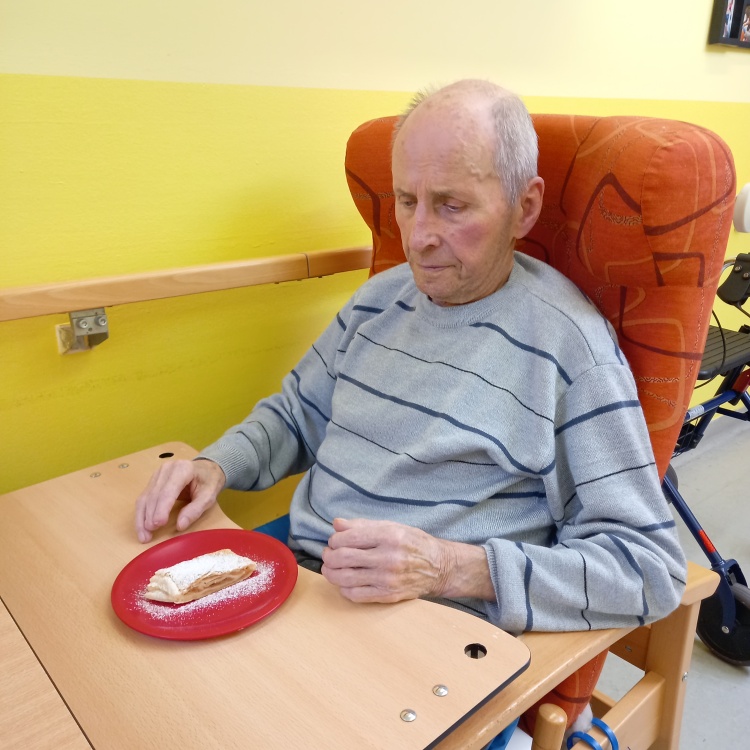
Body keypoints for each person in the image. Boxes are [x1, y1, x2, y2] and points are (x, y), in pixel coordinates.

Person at [135, 79, 686, 635]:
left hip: (424, 626)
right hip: (302, 578)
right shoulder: (378, 299)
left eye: (451, 206)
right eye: (406, 201)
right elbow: (297, 416)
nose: (418, 237)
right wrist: (217, 465)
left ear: (525, 208)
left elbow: (650, 572)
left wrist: (448, 567)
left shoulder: (571, 352)